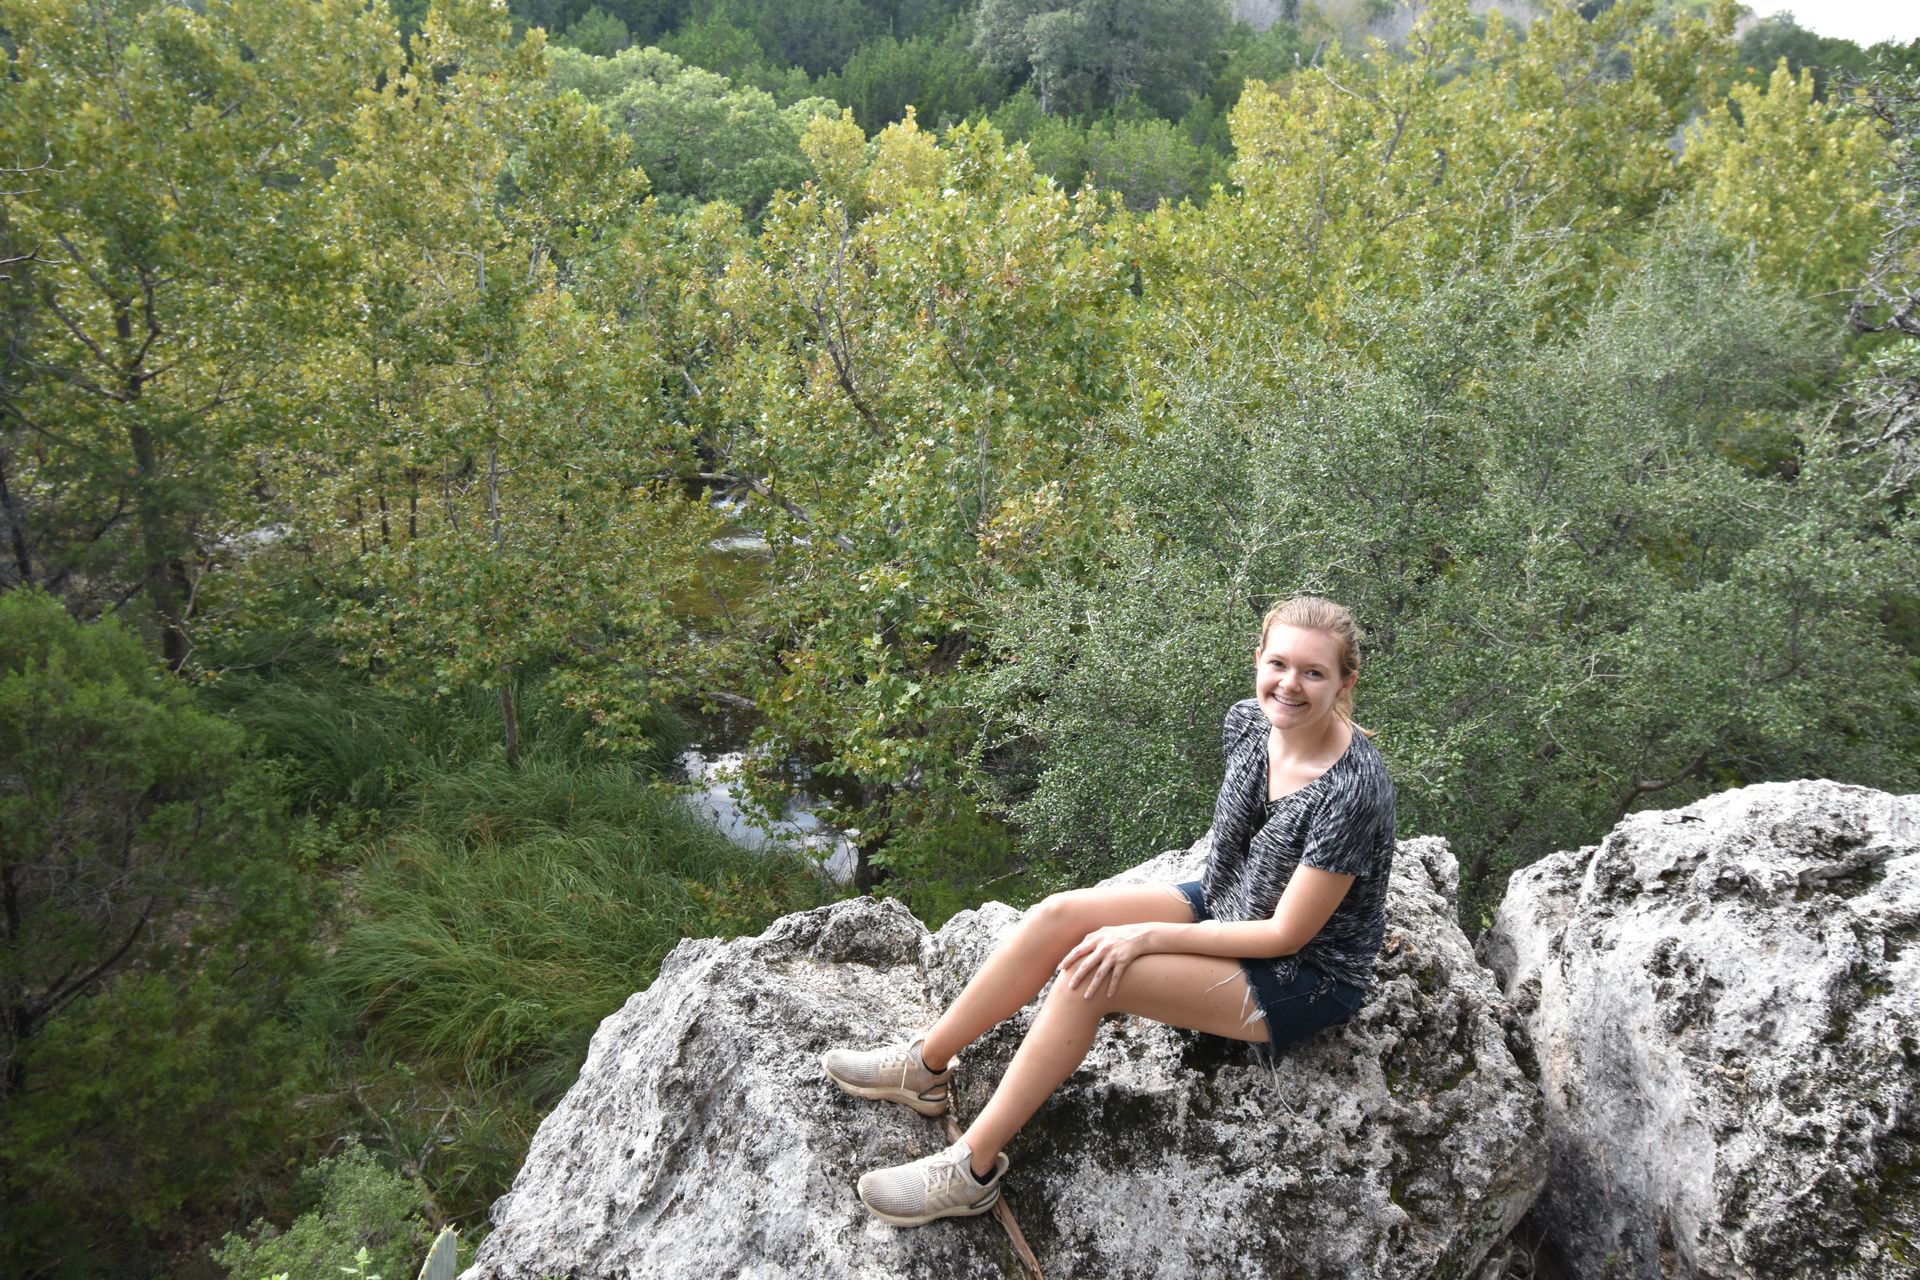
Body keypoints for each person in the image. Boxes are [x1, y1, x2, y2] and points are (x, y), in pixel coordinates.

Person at [822, 595, 1397, 1227]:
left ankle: (970, 1169)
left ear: (1346, 681)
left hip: (1302, 975)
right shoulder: (1247, 724)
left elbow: (1288, 933)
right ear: (1258, 659)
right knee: (1058, 916)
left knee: (1094, 974)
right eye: (1279, 663)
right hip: (1228, 905)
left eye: (1313, 673)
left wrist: (1143, 938)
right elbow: (1231, 858)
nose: (1290, 685)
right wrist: (1162, 926)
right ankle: (925, 1067)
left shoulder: (1353, 790)